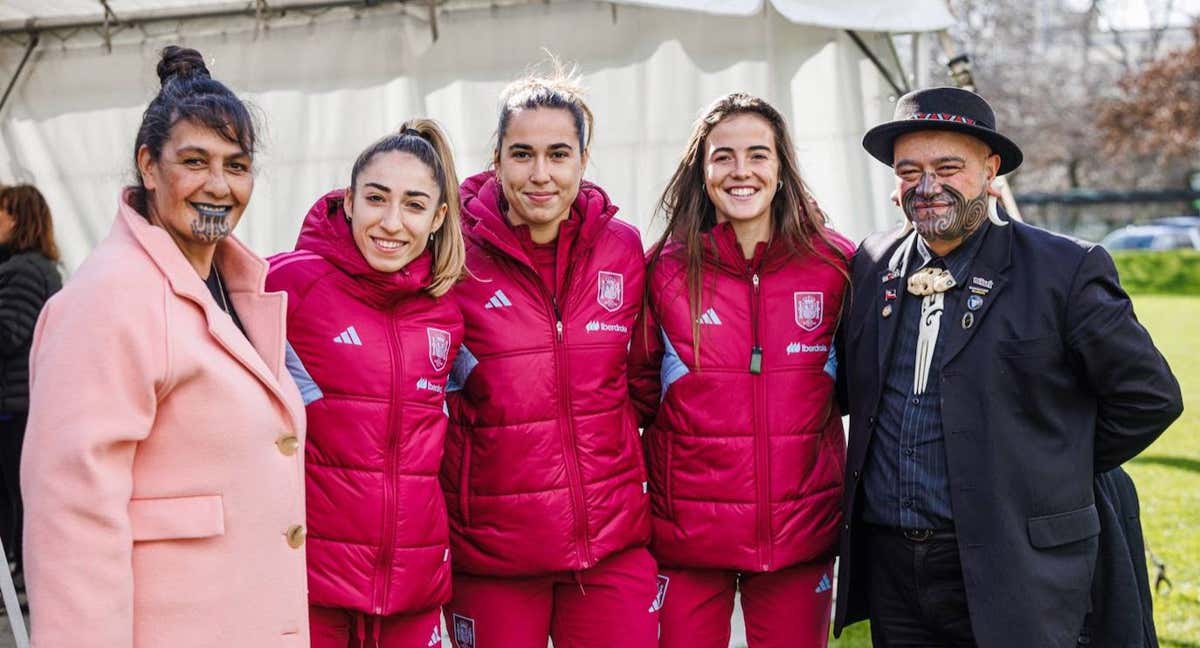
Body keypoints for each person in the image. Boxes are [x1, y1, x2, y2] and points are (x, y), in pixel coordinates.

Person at [833, 86, 1184, 647]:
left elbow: (1150, 398)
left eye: (949, 167)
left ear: (991, 170)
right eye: (909, 171)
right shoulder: (872, 263)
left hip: (1014, 563)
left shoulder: (1065, 268)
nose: (927, 186)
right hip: (894, 566)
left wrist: (1044, 467)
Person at [21, 46, 309, 646]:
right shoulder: (108, 301)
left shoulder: (232, 287)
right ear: (148, 166)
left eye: (237, 165)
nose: (219, 185)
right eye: (195, 161)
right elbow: (73, 521)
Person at [440, 63, 658, 648]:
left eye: (559, 154)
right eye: (522, 154)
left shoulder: (622, 248)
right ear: (497, 158)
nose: (541, 175)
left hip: (610, 546)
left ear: (583, 161)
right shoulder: (450, 253)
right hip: (494, 554)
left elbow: (641, 380)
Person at [627, 92, 853, 648]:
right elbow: (636, 393)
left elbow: (852, 390)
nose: (741, 171)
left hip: (799, 540)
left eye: (758, 154)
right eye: (722, 156)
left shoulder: (835, 266)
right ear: (701, 172)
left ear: (781, 168)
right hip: (686, 544)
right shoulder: (662, 271)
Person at [266, 119, 465, 647]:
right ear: (348, 201)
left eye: (415, 205)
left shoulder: (446, 310)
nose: (392, 222)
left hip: (413, 587)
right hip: (311, 586)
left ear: (439, 217)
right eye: (376, 198)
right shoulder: (286, 285)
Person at [0, 184, 62, 587]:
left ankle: (19, 576)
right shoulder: (37, 267)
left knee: (13, 496)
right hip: (25, 401)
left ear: (18, 218)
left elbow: (8, 333)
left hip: (14, 403)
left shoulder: (21, 270)